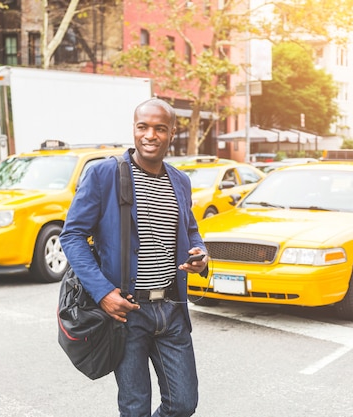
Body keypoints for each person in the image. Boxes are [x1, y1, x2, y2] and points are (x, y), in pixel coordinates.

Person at [60, 98, 209, 417]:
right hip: (127, 313)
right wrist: (103, 292)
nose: (150, 135)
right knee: (135, 407)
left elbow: (191, 230)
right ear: (134, 129)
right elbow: (72, 235)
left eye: (160, 128)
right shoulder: (103, 174)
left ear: (172, 134)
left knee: (183, 404)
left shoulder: (180, 181)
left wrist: (200, 254)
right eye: (143, 127)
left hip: (171, 310)